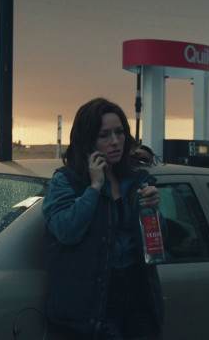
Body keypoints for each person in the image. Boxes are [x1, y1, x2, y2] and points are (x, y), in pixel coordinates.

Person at [42, 98, 164, 340]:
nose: (115, 142)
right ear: (88, 141)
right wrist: (95, 187)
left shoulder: (136, 179)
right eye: (104, 135)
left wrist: (154, 211)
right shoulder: (67, 181)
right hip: (94, 299)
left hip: (138, 292)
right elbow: (66, 230)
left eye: (119, 132)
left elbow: (157, 243)